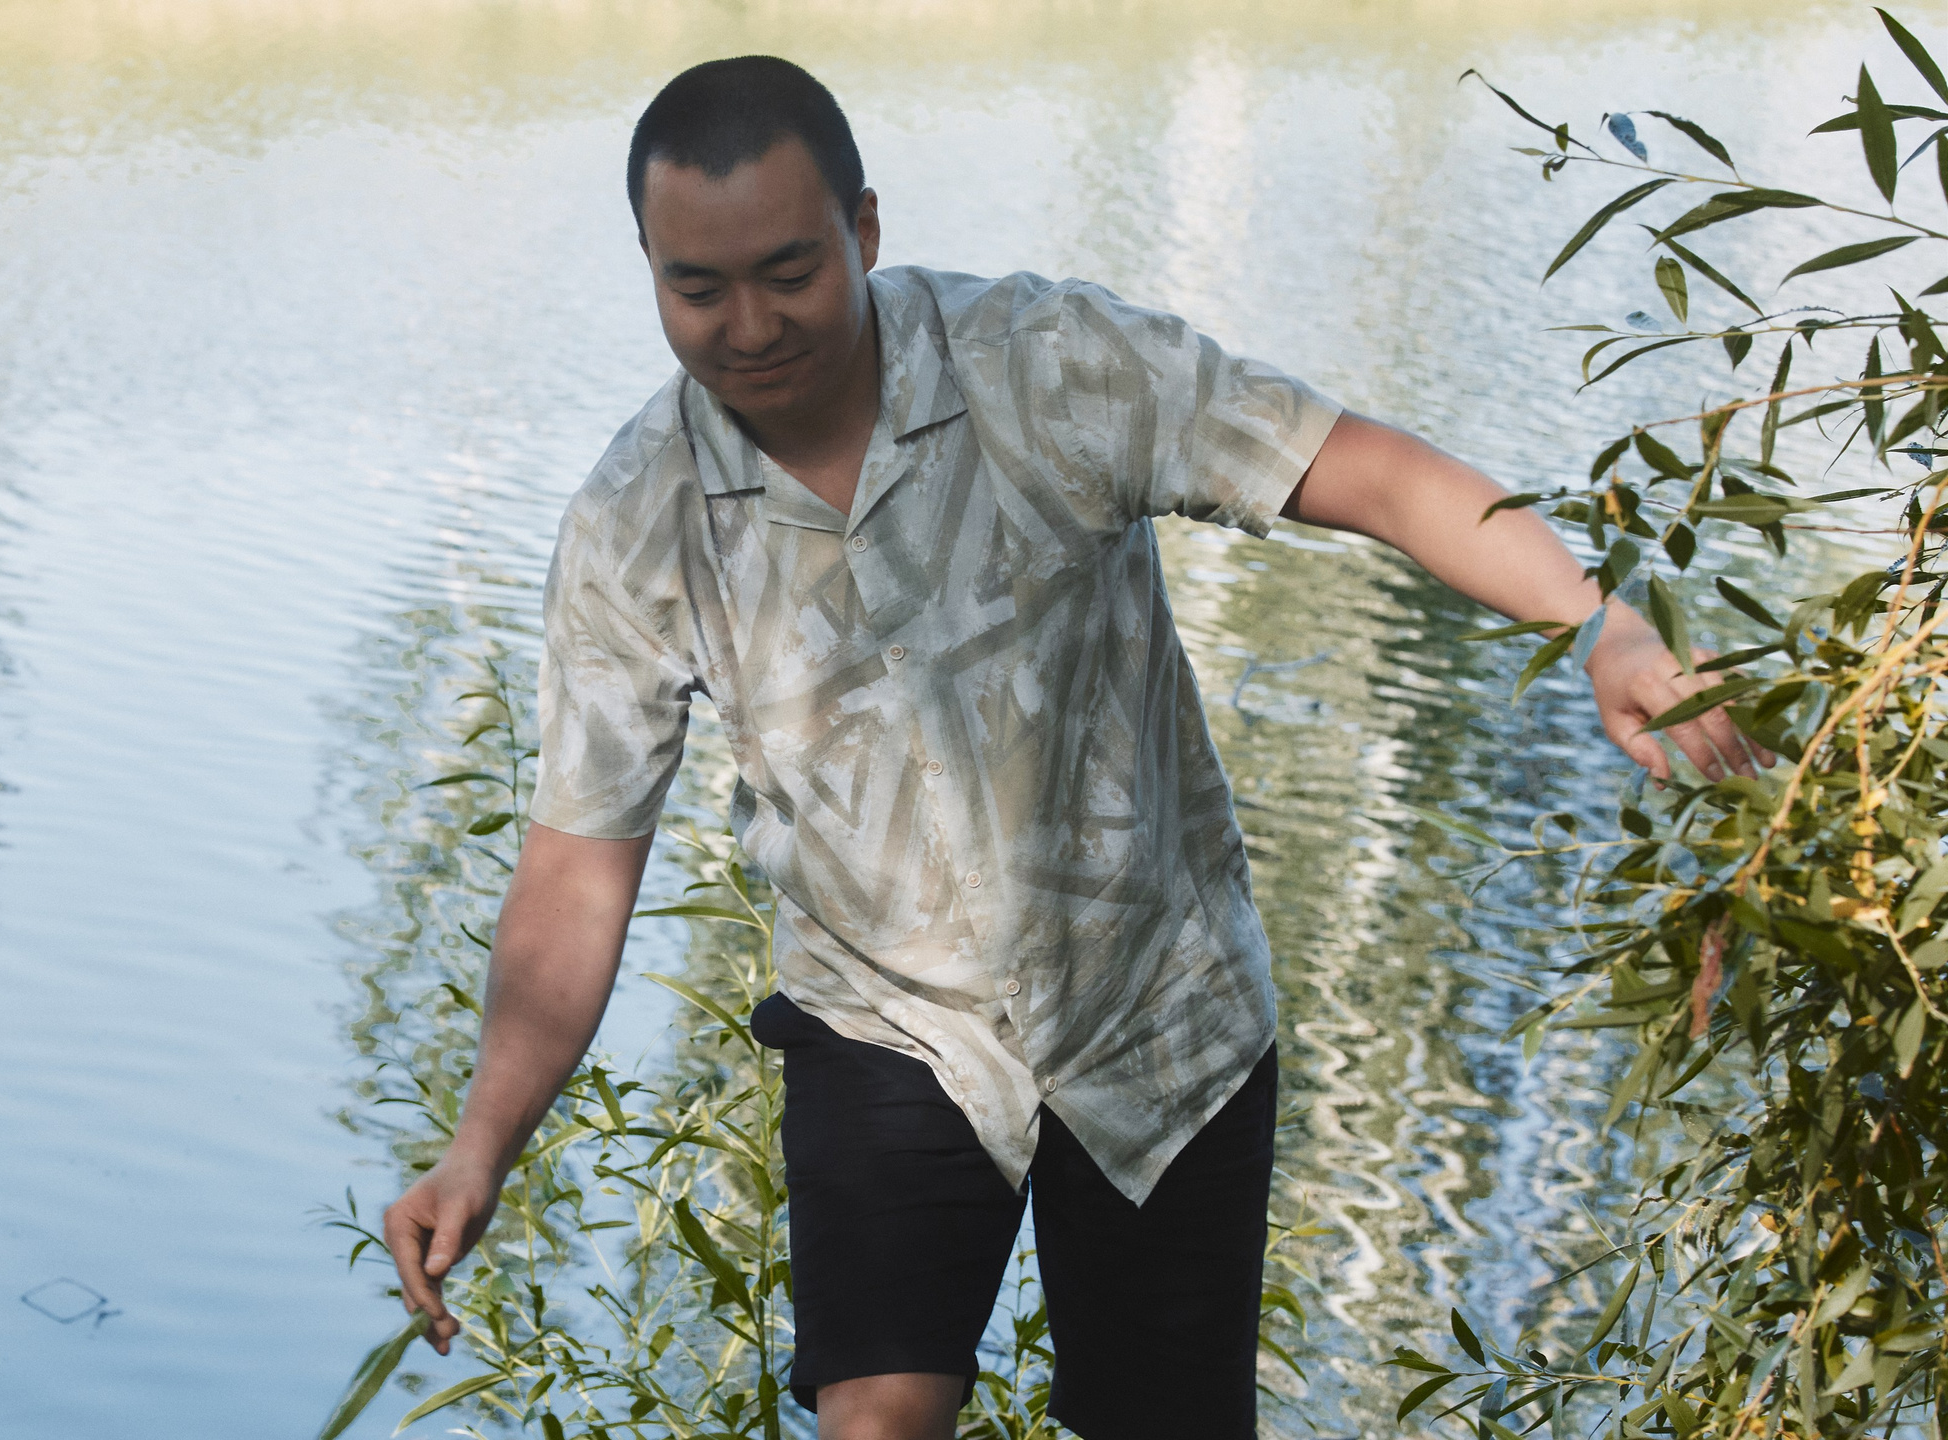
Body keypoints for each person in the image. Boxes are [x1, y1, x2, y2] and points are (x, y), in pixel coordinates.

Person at [380, 55, 1760, 1440]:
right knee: (878, 1418)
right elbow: (574, 873)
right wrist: (479, 1146)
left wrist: (1605, 624)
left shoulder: (1049, 367)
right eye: (698, 289)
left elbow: (1374, 476)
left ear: (864, 230)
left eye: (789, 271)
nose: (749, 326)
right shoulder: (638, 519)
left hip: (1157, 1006)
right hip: (887, 1029)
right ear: (649, 267)